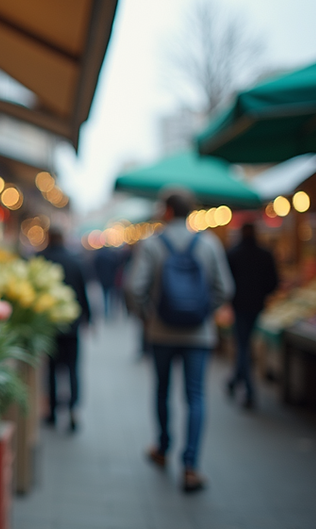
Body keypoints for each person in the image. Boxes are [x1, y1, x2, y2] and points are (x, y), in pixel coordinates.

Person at [125, 189, 234, 493]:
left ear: (168, 211)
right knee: (196, 396)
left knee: (162, 390)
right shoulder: (209, 243)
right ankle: (190, 466)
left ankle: (162, 448)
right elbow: (225, 288)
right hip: (199, 334)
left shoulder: (152, 244)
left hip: (161, 332)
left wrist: (148, 315)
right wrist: (203, 313)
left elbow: (135, 288)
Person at [41, 228, 91, 432]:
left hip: (48, 325)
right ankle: (73, 408)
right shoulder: (75, 261)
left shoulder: (40, 259)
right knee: (72, 368)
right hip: (72, 324)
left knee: (51, 369)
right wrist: (88, 319)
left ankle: (52, 412)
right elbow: (82, 292)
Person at [226, 222, 279, 410]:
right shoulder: (265, 254)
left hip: (239, 305)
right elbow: (274, 283)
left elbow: (226, 283)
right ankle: (236, 381)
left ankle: (247, 391)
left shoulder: (232, 254)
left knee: (243, 345)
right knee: (245, 343)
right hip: (257, 305)